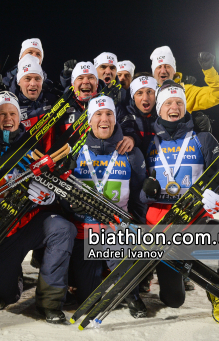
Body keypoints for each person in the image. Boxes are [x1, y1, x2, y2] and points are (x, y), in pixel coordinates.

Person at [0, 91, 77, 324]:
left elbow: (45, 183)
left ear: (19, 117)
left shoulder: (31, 144)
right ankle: (7, 273)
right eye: (1, 114)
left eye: (12, 113)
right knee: (6, 295)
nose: (7, 118)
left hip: (26, 223)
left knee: (63, 228)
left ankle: (50, 302)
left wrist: (47, 197)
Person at [140, 80, 219, 325]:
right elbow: (136, 184)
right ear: (159, 108)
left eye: (179, 102)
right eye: (168, 102)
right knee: (173, 300)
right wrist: (144, 191)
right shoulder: (147, 142)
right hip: (161, 230)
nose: (174, 106)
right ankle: (166, 271)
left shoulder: (203, 138)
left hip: (194, 223)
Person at [67, 95, 148, 318]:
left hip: (115, 226)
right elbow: (62, 191)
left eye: (109, 114)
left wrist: (139, 226)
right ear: (89, 121)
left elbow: (139, 196)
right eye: (98, 114)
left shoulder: (130, 152)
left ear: (116, 119)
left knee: (120, 257)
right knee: (87, 296)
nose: (104, 119)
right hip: (85, 230)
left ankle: (131, 294)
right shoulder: (75, 150)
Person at [150, 46, 219, 112]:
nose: (163, 71)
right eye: (159, 67)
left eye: (167, 66)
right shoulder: (146, 92)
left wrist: (209, 70)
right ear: (153, 72)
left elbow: (218, 95)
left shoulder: (186, 92)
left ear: (174, 71)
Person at [9, 54, 58, 151]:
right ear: (19, 81)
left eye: (37, 78)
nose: (33, 83)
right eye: (27, 78)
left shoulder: (53, 100)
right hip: (25, 164)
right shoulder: (10, 106)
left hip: (52, 162)